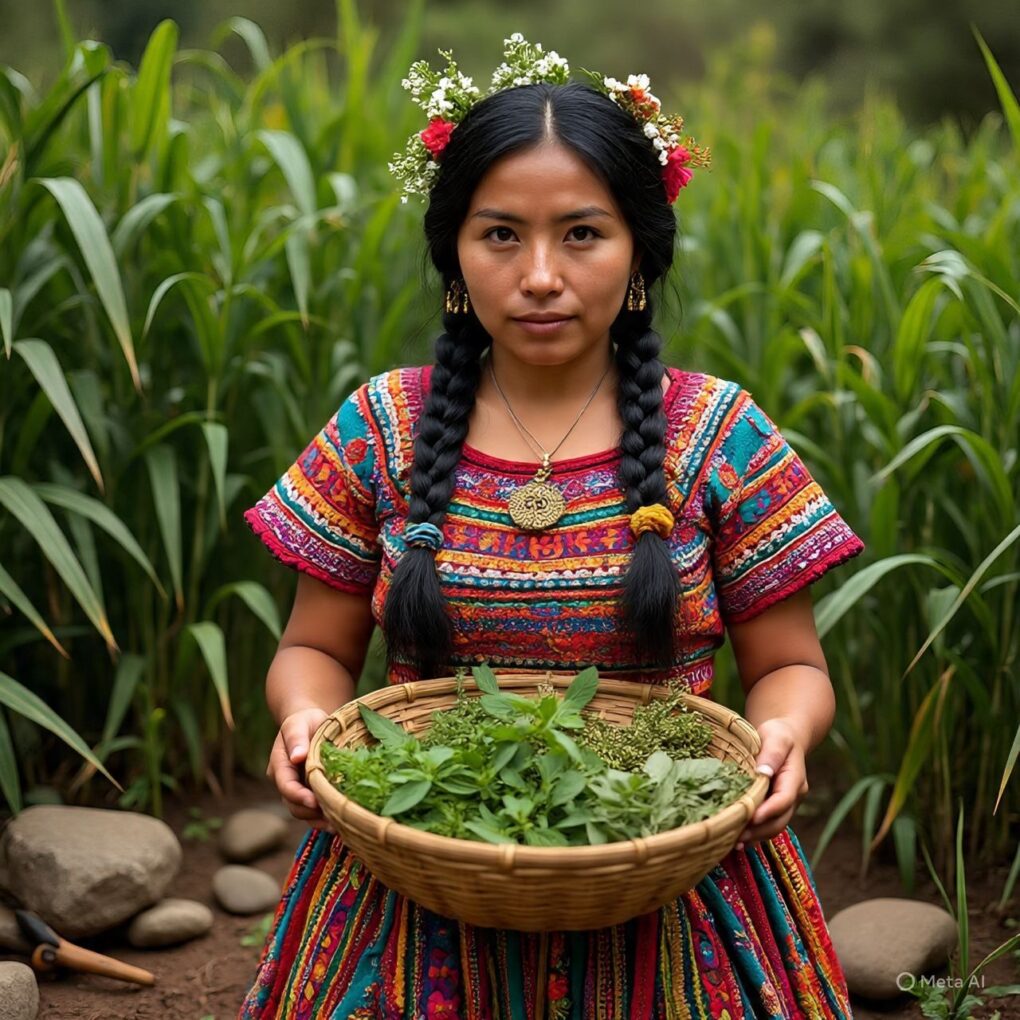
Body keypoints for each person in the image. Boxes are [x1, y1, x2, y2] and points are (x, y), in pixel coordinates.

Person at [238, 35, 864, 1020]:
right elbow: (314, 646)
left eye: (581, 233)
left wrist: (784, 732)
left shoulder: (720, 436)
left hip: (668, 867)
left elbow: (793, 665)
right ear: (454, 252)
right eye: (500, 235)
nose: (540, 275)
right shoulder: (383, 429)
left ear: (639, 251)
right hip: (422, 862)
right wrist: (307, 721)